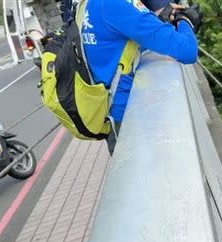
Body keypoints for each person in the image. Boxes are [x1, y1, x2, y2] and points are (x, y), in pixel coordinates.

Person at [80, 0, 200, 153]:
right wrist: (185, 20)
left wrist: (158, 19)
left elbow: (118, 36)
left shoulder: (87, 5)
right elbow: (188, 50)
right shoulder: (115, 5)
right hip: (130, 119)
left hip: (110, 110)